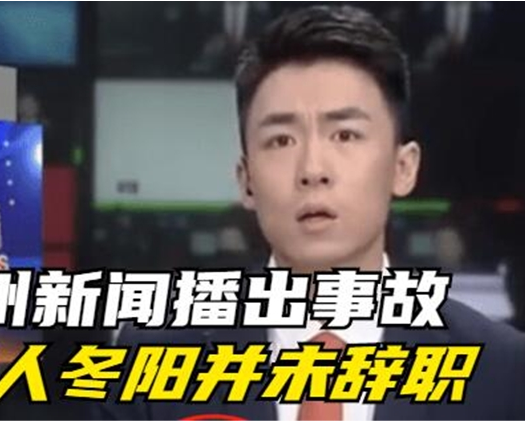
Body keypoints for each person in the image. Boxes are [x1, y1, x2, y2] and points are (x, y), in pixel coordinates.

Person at [94, 5, 525, 421]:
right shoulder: (147, 361)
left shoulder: (502, 373)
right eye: (282, 140)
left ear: (403, 168)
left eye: (345, 135)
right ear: (246, 180)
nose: (313, 170)